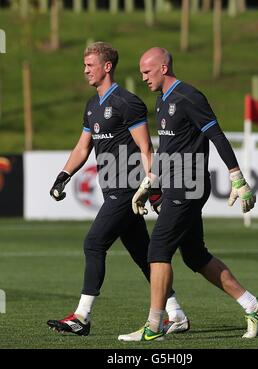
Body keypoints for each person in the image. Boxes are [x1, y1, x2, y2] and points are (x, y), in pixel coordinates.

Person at [119, 47, 258, 342]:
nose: (143, 77)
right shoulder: (162, 100)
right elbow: (167, 149)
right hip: (174, 185)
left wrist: (236, 176)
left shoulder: (189, 96)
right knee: (195, 256)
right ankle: (252, 305)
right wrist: (149, 183)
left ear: (163, 68)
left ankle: (154, 326)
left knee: (157, 250)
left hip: (189, 186)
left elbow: (217, 136)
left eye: (147, 72)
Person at [46, 42, 189, 337]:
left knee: (93, 243)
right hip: (111, 188)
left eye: (90, 65)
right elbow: (83, 146)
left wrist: (153, 185)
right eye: (84, 65)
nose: (85, 70)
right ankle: (176, 313)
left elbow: (146, 147)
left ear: (107, 66)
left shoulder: (128, 103)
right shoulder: (92, 105)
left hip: (127, 190)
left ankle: (82, 317)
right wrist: (64, 175)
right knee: (143, 255)